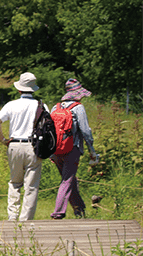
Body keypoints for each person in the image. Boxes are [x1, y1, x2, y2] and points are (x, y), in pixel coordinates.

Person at [0, 72, 47, 221]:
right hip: (34, 146)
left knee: (15, 182)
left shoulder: (11, 105)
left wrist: (3, 139)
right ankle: (26, 218)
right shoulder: (40, 105)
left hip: (14, 144)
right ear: (33, 89)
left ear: (19, 89)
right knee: (31, 185)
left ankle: (12, 215)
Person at [50, 78, 97, 219]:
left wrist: (51, 152)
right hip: (72, 148)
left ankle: (79, 209)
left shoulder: (55, 107)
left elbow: (51, 131)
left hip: (57, 150)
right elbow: (86, 131)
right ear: (78, 94)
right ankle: (58, 212)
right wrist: (92, 150)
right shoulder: (78, 107)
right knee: (67, 180)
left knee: (70, 180)